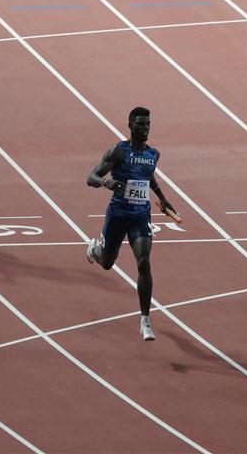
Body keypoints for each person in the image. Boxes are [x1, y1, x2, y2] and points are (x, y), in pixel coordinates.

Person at [86, 107, 177, 341]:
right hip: (117, 215)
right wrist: (106, 182)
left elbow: (148, 175)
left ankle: (145, 320)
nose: (145, 128)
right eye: (140, 124)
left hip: (140, 216)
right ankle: (95, 249)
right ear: (130, 125)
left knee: (144, 261)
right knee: (108, 262)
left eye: (148, 124)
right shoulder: (118, 151)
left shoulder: (153, 154)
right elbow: (91, 177)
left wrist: (162, 197)